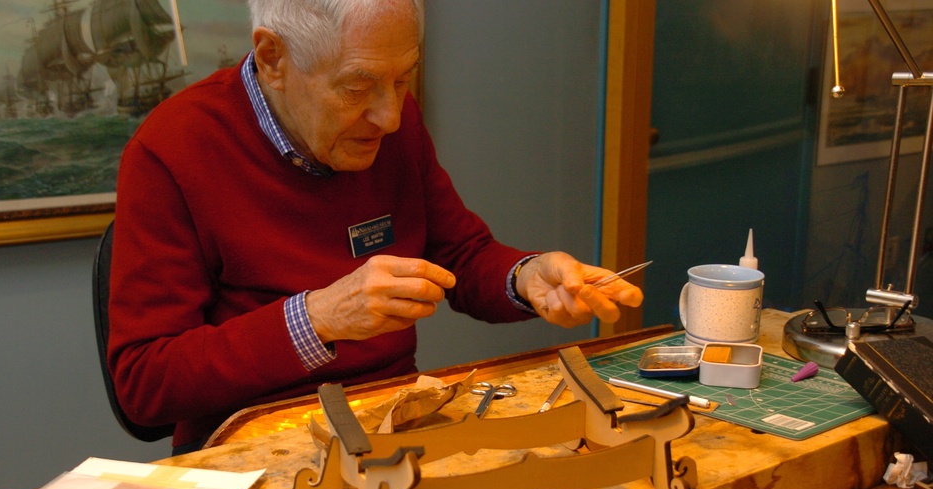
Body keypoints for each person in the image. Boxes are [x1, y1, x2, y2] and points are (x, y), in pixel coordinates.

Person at [108, 0, 643, 454]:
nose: (389, 116)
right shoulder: (171, 151)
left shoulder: (389, 122)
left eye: (402, 78)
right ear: (274, 59)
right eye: (356, 88)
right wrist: (318, 318)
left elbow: (458, 253)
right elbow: (145, 383)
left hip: (394, 424)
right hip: (250, 450)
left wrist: (525, 278)